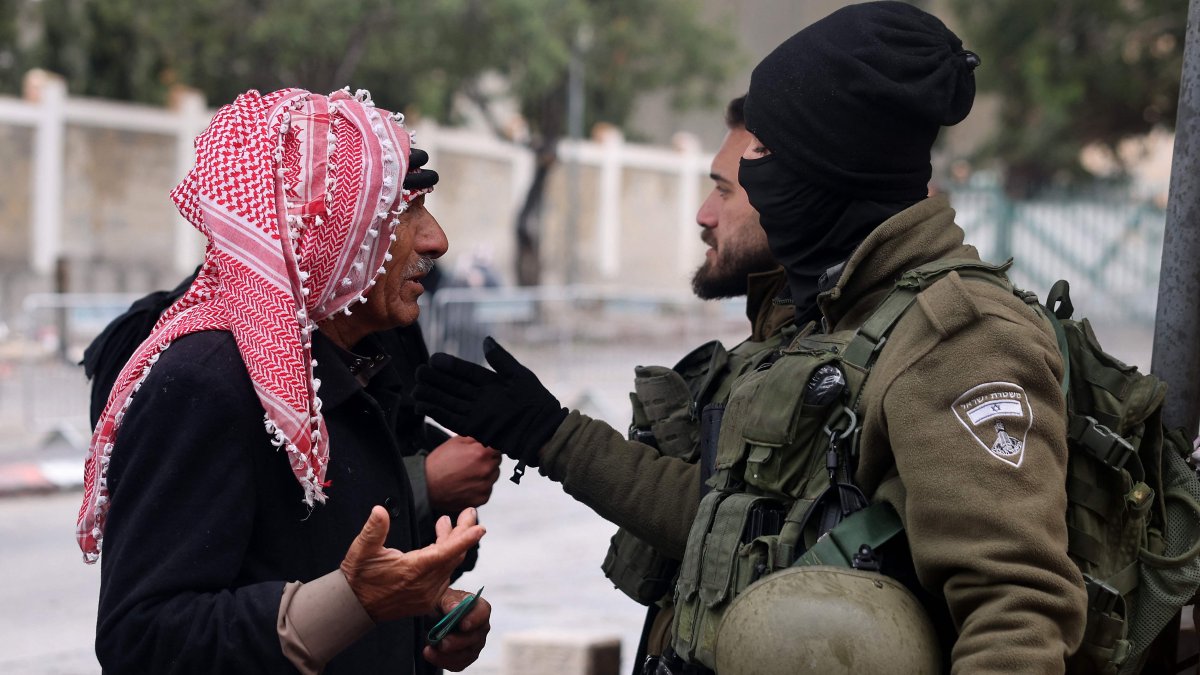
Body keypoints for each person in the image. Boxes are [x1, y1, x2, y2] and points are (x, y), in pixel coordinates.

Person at [413, 3, 1089, 673]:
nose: (730, 195)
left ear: (830, 167)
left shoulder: (960, 340)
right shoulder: (831, 317)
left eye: (762, 155)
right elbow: (734, 522)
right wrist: (553, 433)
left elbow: (1015, 612)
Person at [77, 87, 491, 675]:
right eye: (402, 214)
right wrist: (347, 605)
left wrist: (427, 615)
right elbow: (142, 640)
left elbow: (337, 567)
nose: (436, 241)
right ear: (328, 234)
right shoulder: (208, 380)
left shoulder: (356, 367)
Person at [415, 95, 792, 673]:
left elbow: (733, 522)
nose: (703, 215)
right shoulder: (780, 346)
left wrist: (550, 435)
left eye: (723, 190)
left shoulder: (854, 350)